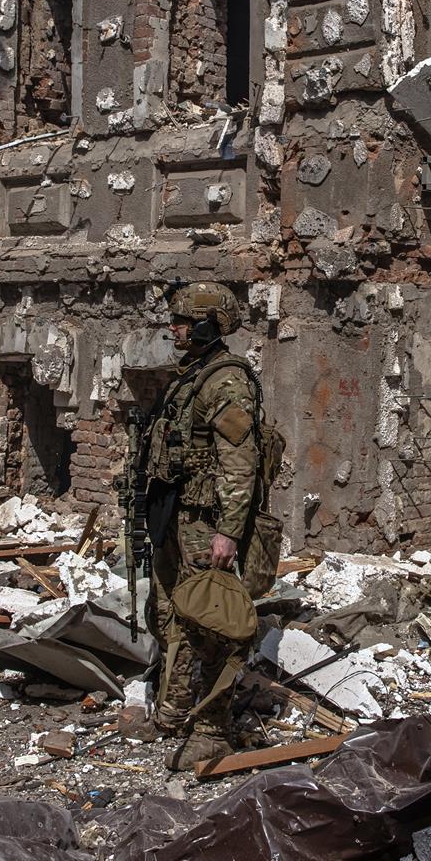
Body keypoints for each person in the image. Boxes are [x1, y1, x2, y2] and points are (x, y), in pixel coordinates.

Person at [140, 282, 266, 771]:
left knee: (209, 624)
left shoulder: (226, 382)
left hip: (206, 522)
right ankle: (172, 713)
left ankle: (213, 727)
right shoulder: (191, 375)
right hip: (176, 514)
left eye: (182, 320)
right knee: (171, 614)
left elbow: (240, 462)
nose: (173, 327)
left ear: (208, 326)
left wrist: (229, 532)